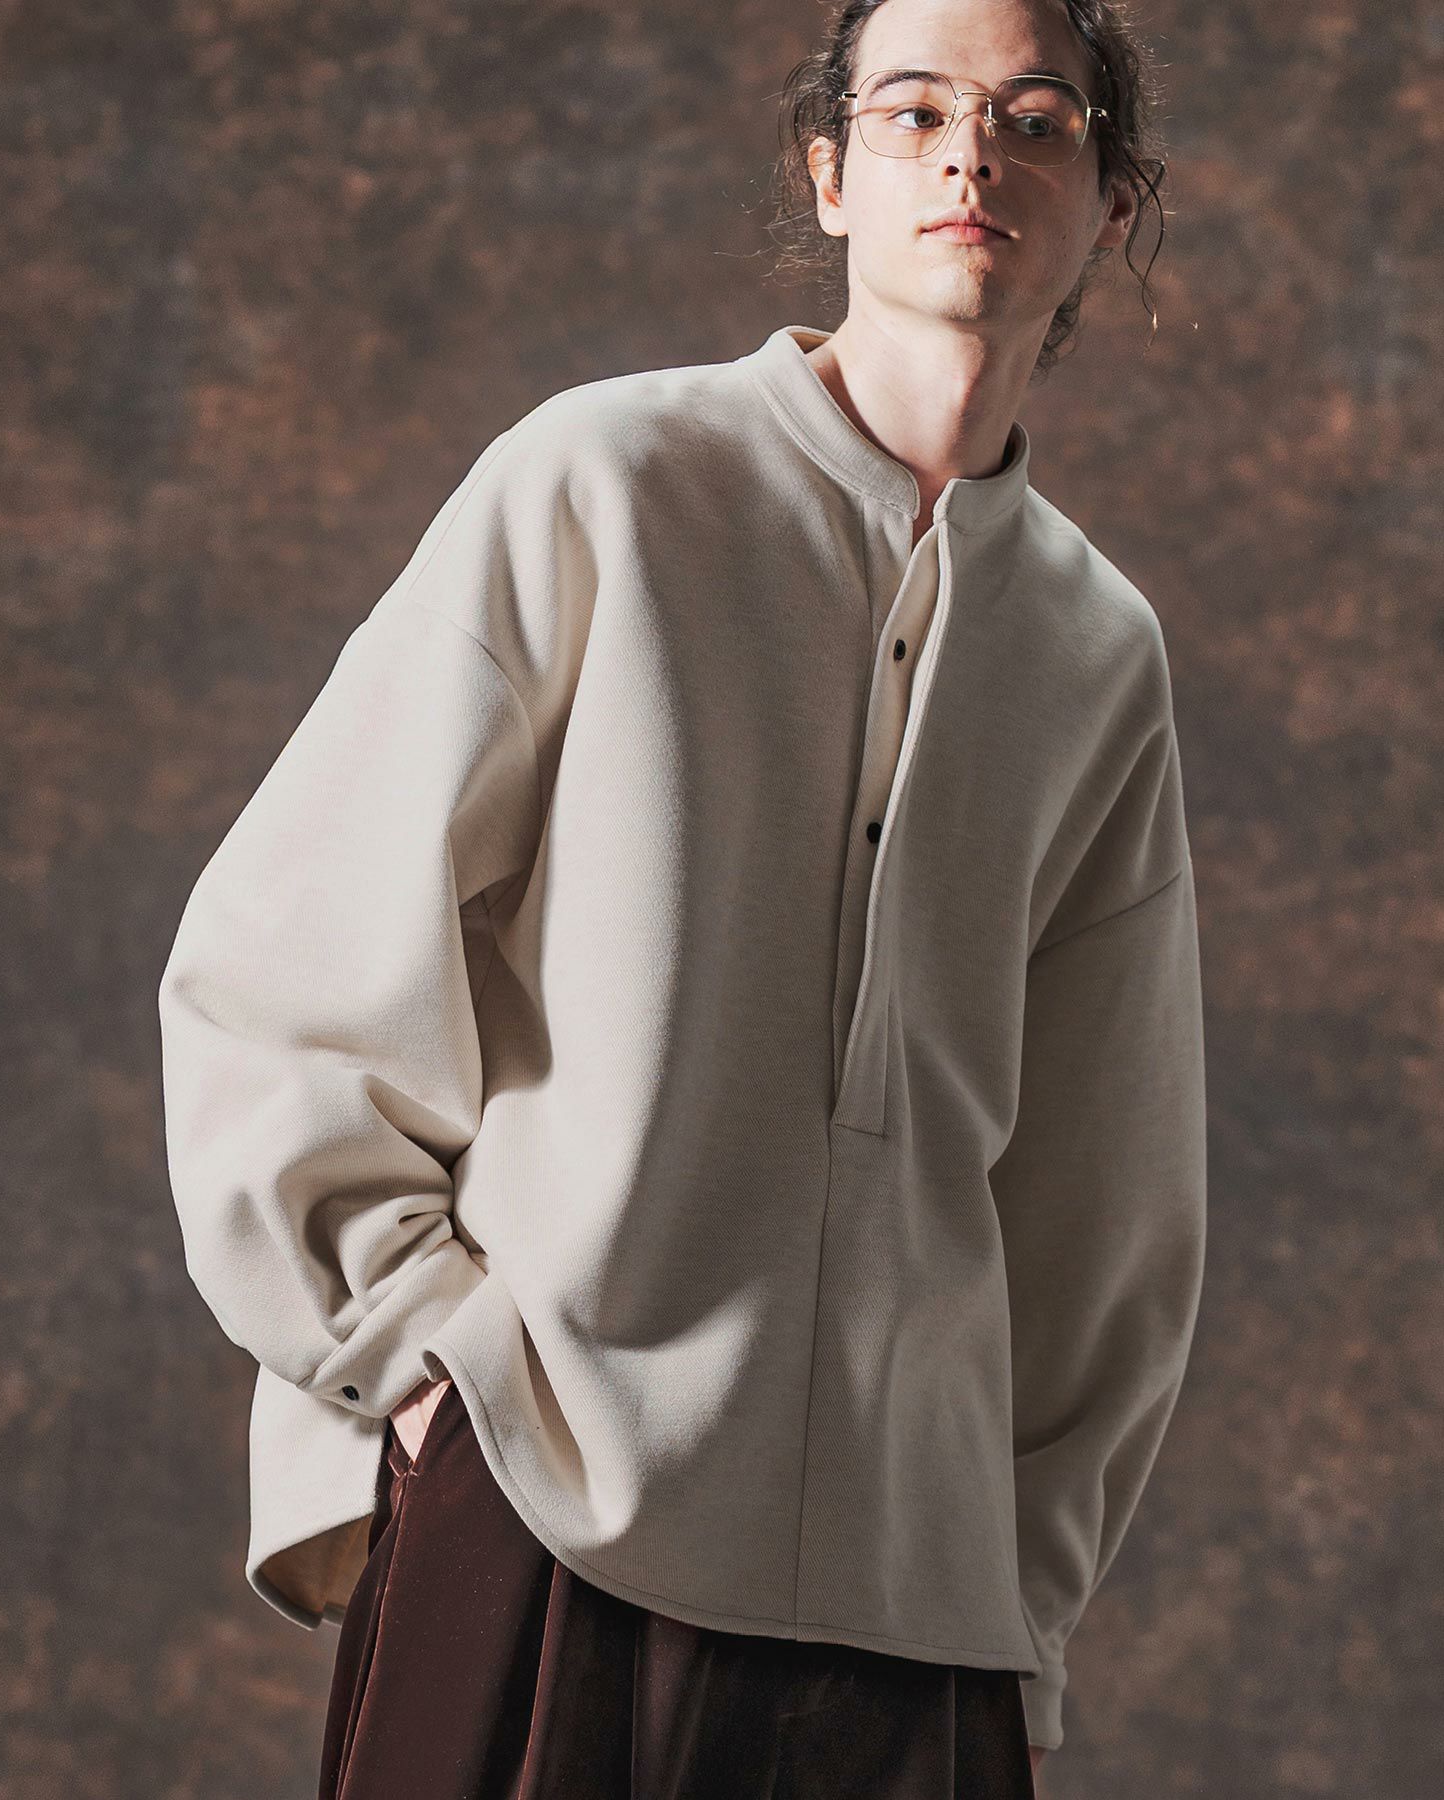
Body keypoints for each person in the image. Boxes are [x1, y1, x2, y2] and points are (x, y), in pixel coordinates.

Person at [157, 1, 1204, 1794]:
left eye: (1037, 118)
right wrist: (419, 1365)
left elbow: (1104, 1199)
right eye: (916, 110)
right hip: (544, 1499)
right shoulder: (602, 483)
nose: (973, 153)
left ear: (1111, 202)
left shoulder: (1102, 654)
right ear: (831, 171)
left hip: (919, 1595)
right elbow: (280, 974)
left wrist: (1022, 1589)